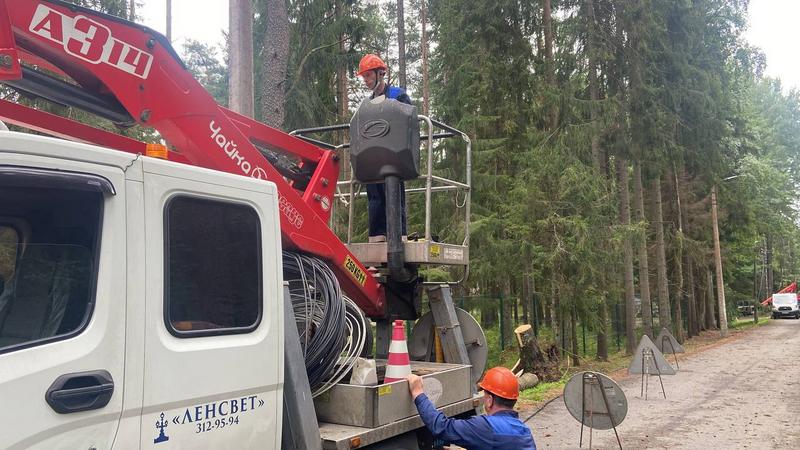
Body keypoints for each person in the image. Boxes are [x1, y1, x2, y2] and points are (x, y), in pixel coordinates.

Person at [405, 367, 537, 450]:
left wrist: (418, 392)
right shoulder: (523, 430)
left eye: (484, 395)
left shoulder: (487, 427)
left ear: (490, 400)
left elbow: (441, 427)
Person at [357, 53, 410, 243]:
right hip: (373, 159)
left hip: (394, 158)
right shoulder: (367, 104)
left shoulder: (398, 95)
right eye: (363, 77)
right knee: (374, 197)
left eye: (368, 76)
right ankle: (377, 239)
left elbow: (408, 122)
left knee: (394, 193)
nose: (366, 81)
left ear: (380, 74)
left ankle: (398, 237)